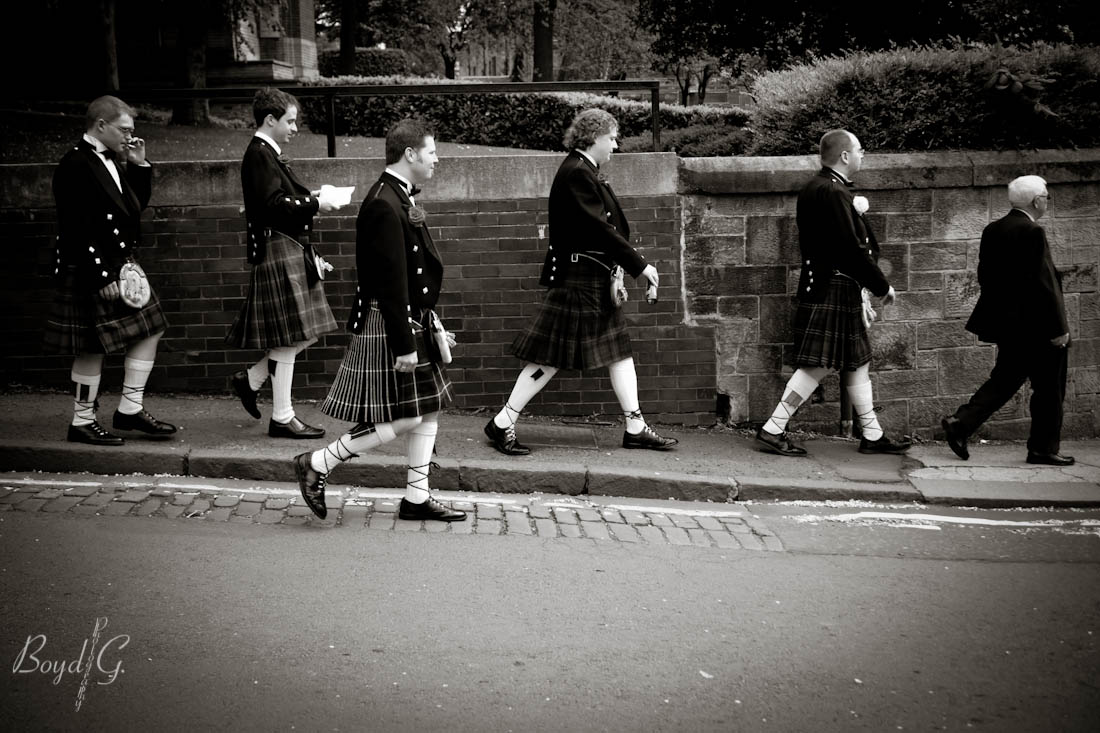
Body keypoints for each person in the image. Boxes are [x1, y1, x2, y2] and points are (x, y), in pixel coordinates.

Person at [294, 119, 465, 522]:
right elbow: (390, 280)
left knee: (429, 407)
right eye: (432, 151)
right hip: (391, 322)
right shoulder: (383, 203)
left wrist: (428, 319)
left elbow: (409, 271)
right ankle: (318, 463)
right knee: (405, 415)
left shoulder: (397, 197)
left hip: (410, 317)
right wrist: (405, 342)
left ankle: (417, 497)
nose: (437, 158)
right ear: (410, 154)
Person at [483, 108, 677, 456]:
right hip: (578, 279)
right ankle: (502, 422)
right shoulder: (576, 172)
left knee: (619, 352)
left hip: (592, 276)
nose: (615, 146)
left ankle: (635, 427)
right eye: (612, 138)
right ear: (594, 138)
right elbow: (597, 228)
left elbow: (607, 226)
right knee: (550, 357)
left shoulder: (586, 170)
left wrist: (622, 264)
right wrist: (639, 265)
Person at [755, 129, 910, 457]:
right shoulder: (833, 192)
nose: (862, 154)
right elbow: (851, 250)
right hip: (835, 285)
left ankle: (871, 433)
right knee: (818, 365)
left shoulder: (817, 187)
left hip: (831, 284)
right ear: (844, 156)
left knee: (857, 363)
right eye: (859, 150)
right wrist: (881, 286)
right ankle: (773, 429)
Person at [43, 95, 176, 445]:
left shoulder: (113, 161)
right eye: (125, 130)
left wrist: (139, 165)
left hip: (120, 265)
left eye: (133, 131)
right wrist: (100, 276)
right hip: (93, 267)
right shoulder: (74, 165)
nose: (130, 138)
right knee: (91, 347)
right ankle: (82, 420)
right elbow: (75, 227)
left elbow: (133, 208)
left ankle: (130, 409)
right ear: (101, 125)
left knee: (152, 328)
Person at [226, 87, 344, 439]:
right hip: (278, 249)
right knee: (290, 337)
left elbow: (281, 198)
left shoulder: (267, 154)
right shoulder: (259, 154)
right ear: (270, 119)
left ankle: (251, 380)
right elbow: (272, 206)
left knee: (300, 334)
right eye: (290, 121)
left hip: (289, 248)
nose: (295, 128)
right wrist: (314, 205)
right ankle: (281, 416)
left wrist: (314, 197)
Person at [941, 176, 1072, 465]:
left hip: (1009, 326)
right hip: (1039, 328)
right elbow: (1044, 284)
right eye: (1046, 196)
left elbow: (985, 277)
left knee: (1005, 380)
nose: (1047, 201)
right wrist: (1059, 328)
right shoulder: (1033, 232)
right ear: (1036, 200)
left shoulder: (993, 229)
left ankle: (961, 423)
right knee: (1050, 389)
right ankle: (1043, 448)